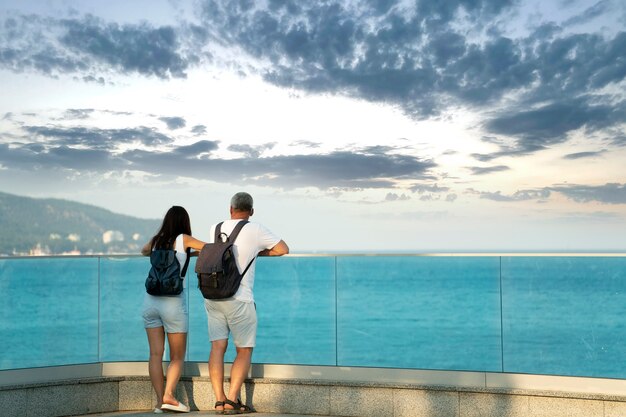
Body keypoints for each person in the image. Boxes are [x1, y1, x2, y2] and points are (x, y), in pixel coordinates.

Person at [205, 192, 289, 414]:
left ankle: (219, 400)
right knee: (243, 350)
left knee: (217, 347)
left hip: (213, 296)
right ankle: (232, 399)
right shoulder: (256, 228)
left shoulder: (215, 227)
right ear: (251, 211)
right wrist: (257, 252)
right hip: (239, 298)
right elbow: (283, 249)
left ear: (230, 209)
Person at [141, 206, 206, 414]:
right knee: (177, 356)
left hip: (150, 301)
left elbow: (143, 250)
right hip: (173, 303)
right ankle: (170, 395)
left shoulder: (156, 240)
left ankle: (160, 402)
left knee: (155, 354)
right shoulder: (184, 239)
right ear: (184, 222)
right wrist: (190, 252)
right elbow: (210, 248)